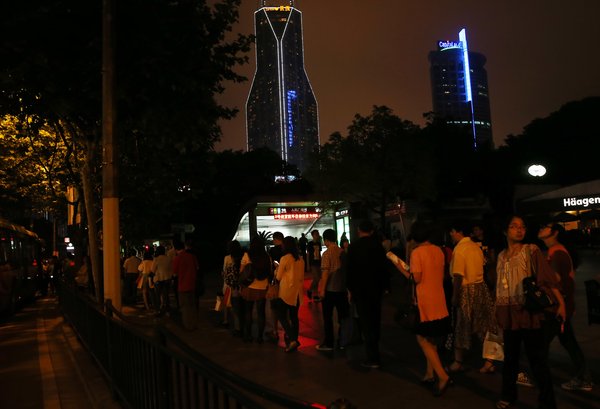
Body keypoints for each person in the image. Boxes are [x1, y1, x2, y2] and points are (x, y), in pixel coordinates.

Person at [494, 215, 566, 409]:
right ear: (505, 231)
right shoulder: (500, 256)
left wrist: (561, 304)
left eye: (522, 226)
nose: (519, 230)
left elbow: (547, 278)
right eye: (514, 226)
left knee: (537, 360)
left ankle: (547, 401)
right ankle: (508, 395)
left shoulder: (531, 250)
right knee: (510, 358)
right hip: (509, 314)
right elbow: (500, 288)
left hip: (529, 312)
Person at [393, 222, 452, 397]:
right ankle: (429, 374)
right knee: (431, 339)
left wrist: (399, 267)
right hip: (439, 300)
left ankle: (442, 376)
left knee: (423, 340)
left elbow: (416, 278)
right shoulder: (439, 251)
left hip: (425, 302)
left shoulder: (417, 252)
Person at [538, 222, 593, 392]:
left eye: (545, 227)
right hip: (561, 307)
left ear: (554, 233)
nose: (541, 228)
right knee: (567, 341)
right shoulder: (555, 251)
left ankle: (539, 378)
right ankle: (583, 377)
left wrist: (561, 305)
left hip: (556, 308)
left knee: (540, 344)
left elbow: (554, 282)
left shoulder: (557, 253)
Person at [446, 220, 496, 374]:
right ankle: (489, 361)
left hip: (466, 290)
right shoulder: (476, 247)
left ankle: (458, 361)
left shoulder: (460, 249)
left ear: (457, 231)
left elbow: (458, 275)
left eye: (451, 232)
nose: (451, 235)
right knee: (485, 326)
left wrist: (455, 296)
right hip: (481, 288)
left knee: (461, 326)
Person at [346, 220, 388, 369]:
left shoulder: (354, 247)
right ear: (371, 231)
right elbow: (384, 268)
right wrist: (385, 287)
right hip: (376, 289)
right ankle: (375, 353)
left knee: (365, 322)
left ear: (359, 230)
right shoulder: (378, 246)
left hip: (360, 290)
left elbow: (349, 271)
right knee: (375, 321)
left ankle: (372, 357)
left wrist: (350, 289)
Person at [316, 228, 349, 352]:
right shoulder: (342, 252)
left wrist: (322, 290)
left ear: (326, 240)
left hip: (330, 290)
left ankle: (329, 343)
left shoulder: (326, 254)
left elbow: (325, 274)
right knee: (343, 318)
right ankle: (342, 341)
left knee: (327, 318)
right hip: (342, 289)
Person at [275, 236, 305, 352]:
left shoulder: (285, 258)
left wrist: (277, 268)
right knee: (294, 317)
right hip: (297, 292)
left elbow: (278, 277)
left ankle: (293, 339)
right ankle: (294, 339)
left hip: (286, 292)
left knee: (281, 316)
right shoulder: (300, 259)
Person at [240, 236, 272, 343]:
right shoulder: (267, 256)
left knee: (248, 311)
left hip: (249, 287)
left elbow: (241, 271)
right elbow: (270, 272)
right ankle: (260, 337)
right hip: (262, 287)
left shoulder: (247, 255)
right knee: (261, 312)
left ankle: (248, 335)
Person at [172, 240, 199, 330]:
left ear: (176, 249)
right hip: (192, 284)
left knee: (185, 307)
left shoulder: (177, 258)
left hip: (182, 286)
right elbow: (197, 268)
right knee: (192, 305)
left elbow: (175, 273)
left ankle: (188, 325)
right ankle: (194, 324)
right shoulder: (192, 256)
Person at [222, 240, 244, 334]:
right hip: (240, 286)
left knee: (228, 304)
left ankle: (227, 321)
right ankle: (240, 326)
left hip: (228, 285)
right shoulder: (242, 257)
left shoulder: (227, 258)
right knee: (239, 307)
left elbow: (224, 271)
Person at [267, 231, 285, 342]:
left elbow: (270, 265)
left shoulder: (272, 251)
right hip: (286, 282)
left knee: (274, 307)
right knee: (285, 307)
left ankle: (275, 330)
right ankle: (287, 331)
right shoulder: (287, 251)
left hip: (274, 281)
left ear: (275, 239)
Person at [152, 245, 172, 315]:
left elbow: (153, 270)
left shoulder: (156, 259)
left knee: (157, 296)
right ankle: (167, 310)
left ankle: (158, 310)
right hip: (167, 279)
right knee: (166, 295)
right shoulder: (168, 259)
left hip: (158, 279)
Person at [307, 230, 322, 301]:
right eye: (316, 234)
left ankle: (315, 294)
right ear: (312, 235)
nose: (317, 235)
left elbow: (319, 253)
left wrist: (322, 262)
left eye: (318, 234)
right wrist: (308, 264)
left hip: (318, 262)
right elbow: (308, 254)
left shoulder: (319, 243)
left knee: (318, 279)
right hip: (313, 262)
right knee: (316, 278)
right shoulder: (310, 244)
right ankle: (310, 290)